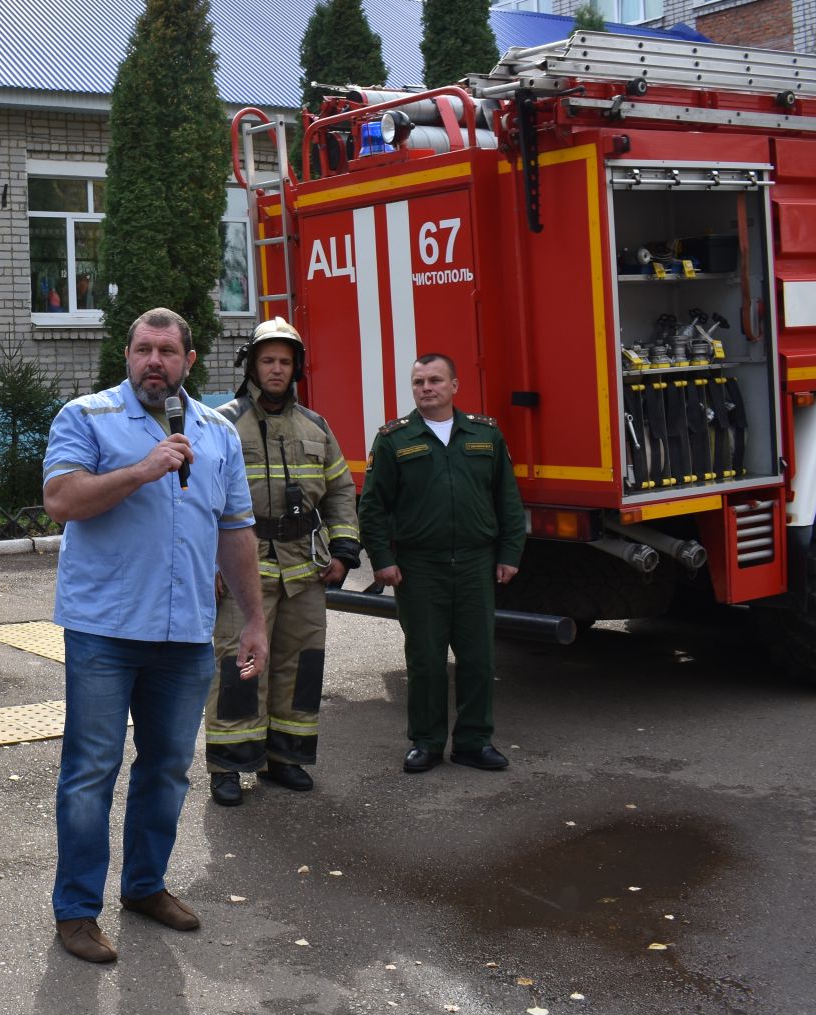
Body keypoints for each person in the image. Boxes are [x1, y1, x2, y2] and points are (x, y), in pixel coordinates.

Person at [42, 307, 267, 965]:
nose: (154, 362)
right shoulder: (87, 418)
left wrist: (253, 619)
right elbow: (61, 499)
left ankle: (143, 886)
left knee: (167, 769)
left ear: (189, 361)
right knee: (90, 773)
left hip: (186, 634)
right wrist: (142, 469)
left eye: (167, 351)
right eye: (143, 348)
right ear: (127, 354)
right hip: (105, 633)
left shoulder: (217, 433)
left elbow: (236, 533)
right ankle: (78, 910)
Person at [205, 318, 360, 804]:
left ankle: (285, 758)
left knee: (302, 662)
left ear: (296, 369)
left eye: (285, 362)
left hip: (304, 569)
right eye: (268, 360)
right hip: (242, 568)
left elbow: (339, 490)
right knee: (239, 664)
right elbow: (197, 499)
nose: (276, 369)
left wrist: (344, 549)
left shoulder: (316, 426)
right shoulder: (223, 423)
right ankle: (230, 765)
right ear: (251, 364)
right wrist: (207, 564)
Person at [359, 353, 527, 775]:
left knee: (478, 658)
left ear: (455, 386)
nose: (426, 388)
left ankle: (473, 741)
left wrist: (510, 553)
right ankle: (427, 742)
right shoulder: (394, 439)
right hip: (419, 567)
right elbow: (373, 508)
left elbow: (506, 498)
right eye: (419, 382)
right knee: (426, 659)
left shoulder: (485, 435)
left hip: (476, 562)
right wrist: (381, 559)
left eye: (435, 380)